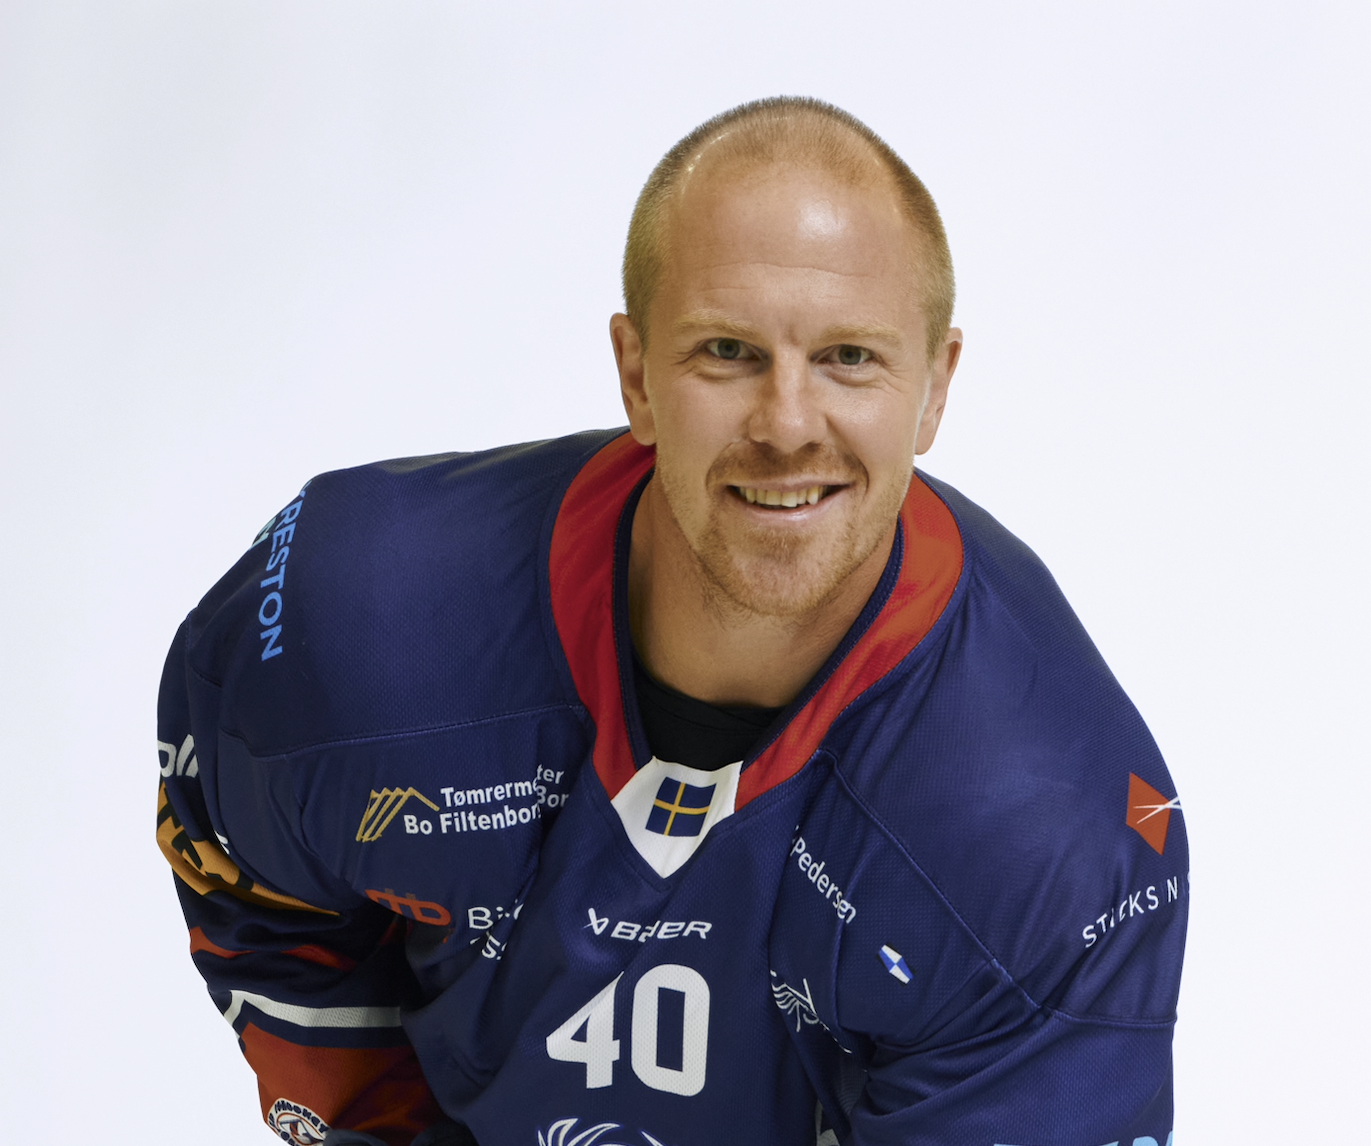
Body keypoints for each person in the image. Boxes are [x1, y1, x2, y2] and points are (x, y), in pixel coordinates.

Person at [157, 97, 1187, 1146]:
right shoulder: (353, 629)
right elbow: (250, 870)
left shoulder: (1048, 834)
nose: (788, 425)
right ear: (636, 374)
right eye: (728, 351)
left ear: (933, 390)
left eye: (849, 357)